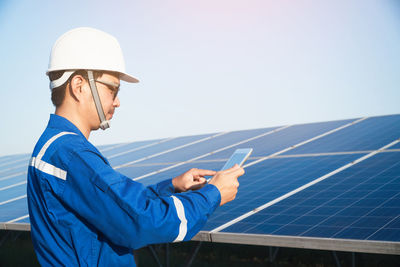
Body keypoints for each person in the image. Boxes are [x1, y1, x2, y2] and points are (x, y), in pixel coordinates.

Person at [27, 27, 244, 266]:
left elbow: (117, 206)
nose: (117, 102)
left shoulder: (54, 148)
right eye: (112, 89)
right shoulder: (71, 155)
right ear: (79, 86)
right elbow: (139, 222)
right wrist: (212, 194)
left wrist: (171, 186)